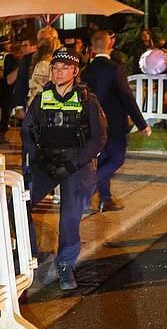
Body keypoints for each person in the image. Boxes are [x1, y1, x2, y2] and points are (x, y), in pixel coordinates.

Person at [23, 47, 108, 289]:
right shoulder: (42, 98)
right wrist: (39, 158)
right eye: (55, 68)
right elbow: (27, 133)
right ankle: (30, 257)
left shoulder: (87, 100)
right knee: (19, 205)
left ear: (74, 71)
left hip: (76, 162)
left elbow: (98, 138)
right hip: (47, 160)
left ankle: (65, 265)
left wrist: (73, 164)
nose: (59, 72)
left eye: (64, 68)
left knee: (69, 217)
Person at [81, 30, 152, 212]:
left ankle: (105, 199)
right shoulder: (114, 69)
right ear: (110, 46)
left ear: (92, 48)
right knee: (117, 159)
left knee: (104, 159)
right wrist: (141, 124)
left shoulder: (86, 71)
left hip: (94, 124)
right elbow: (126, 97)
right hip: (114, 124)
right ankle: (89, 187)